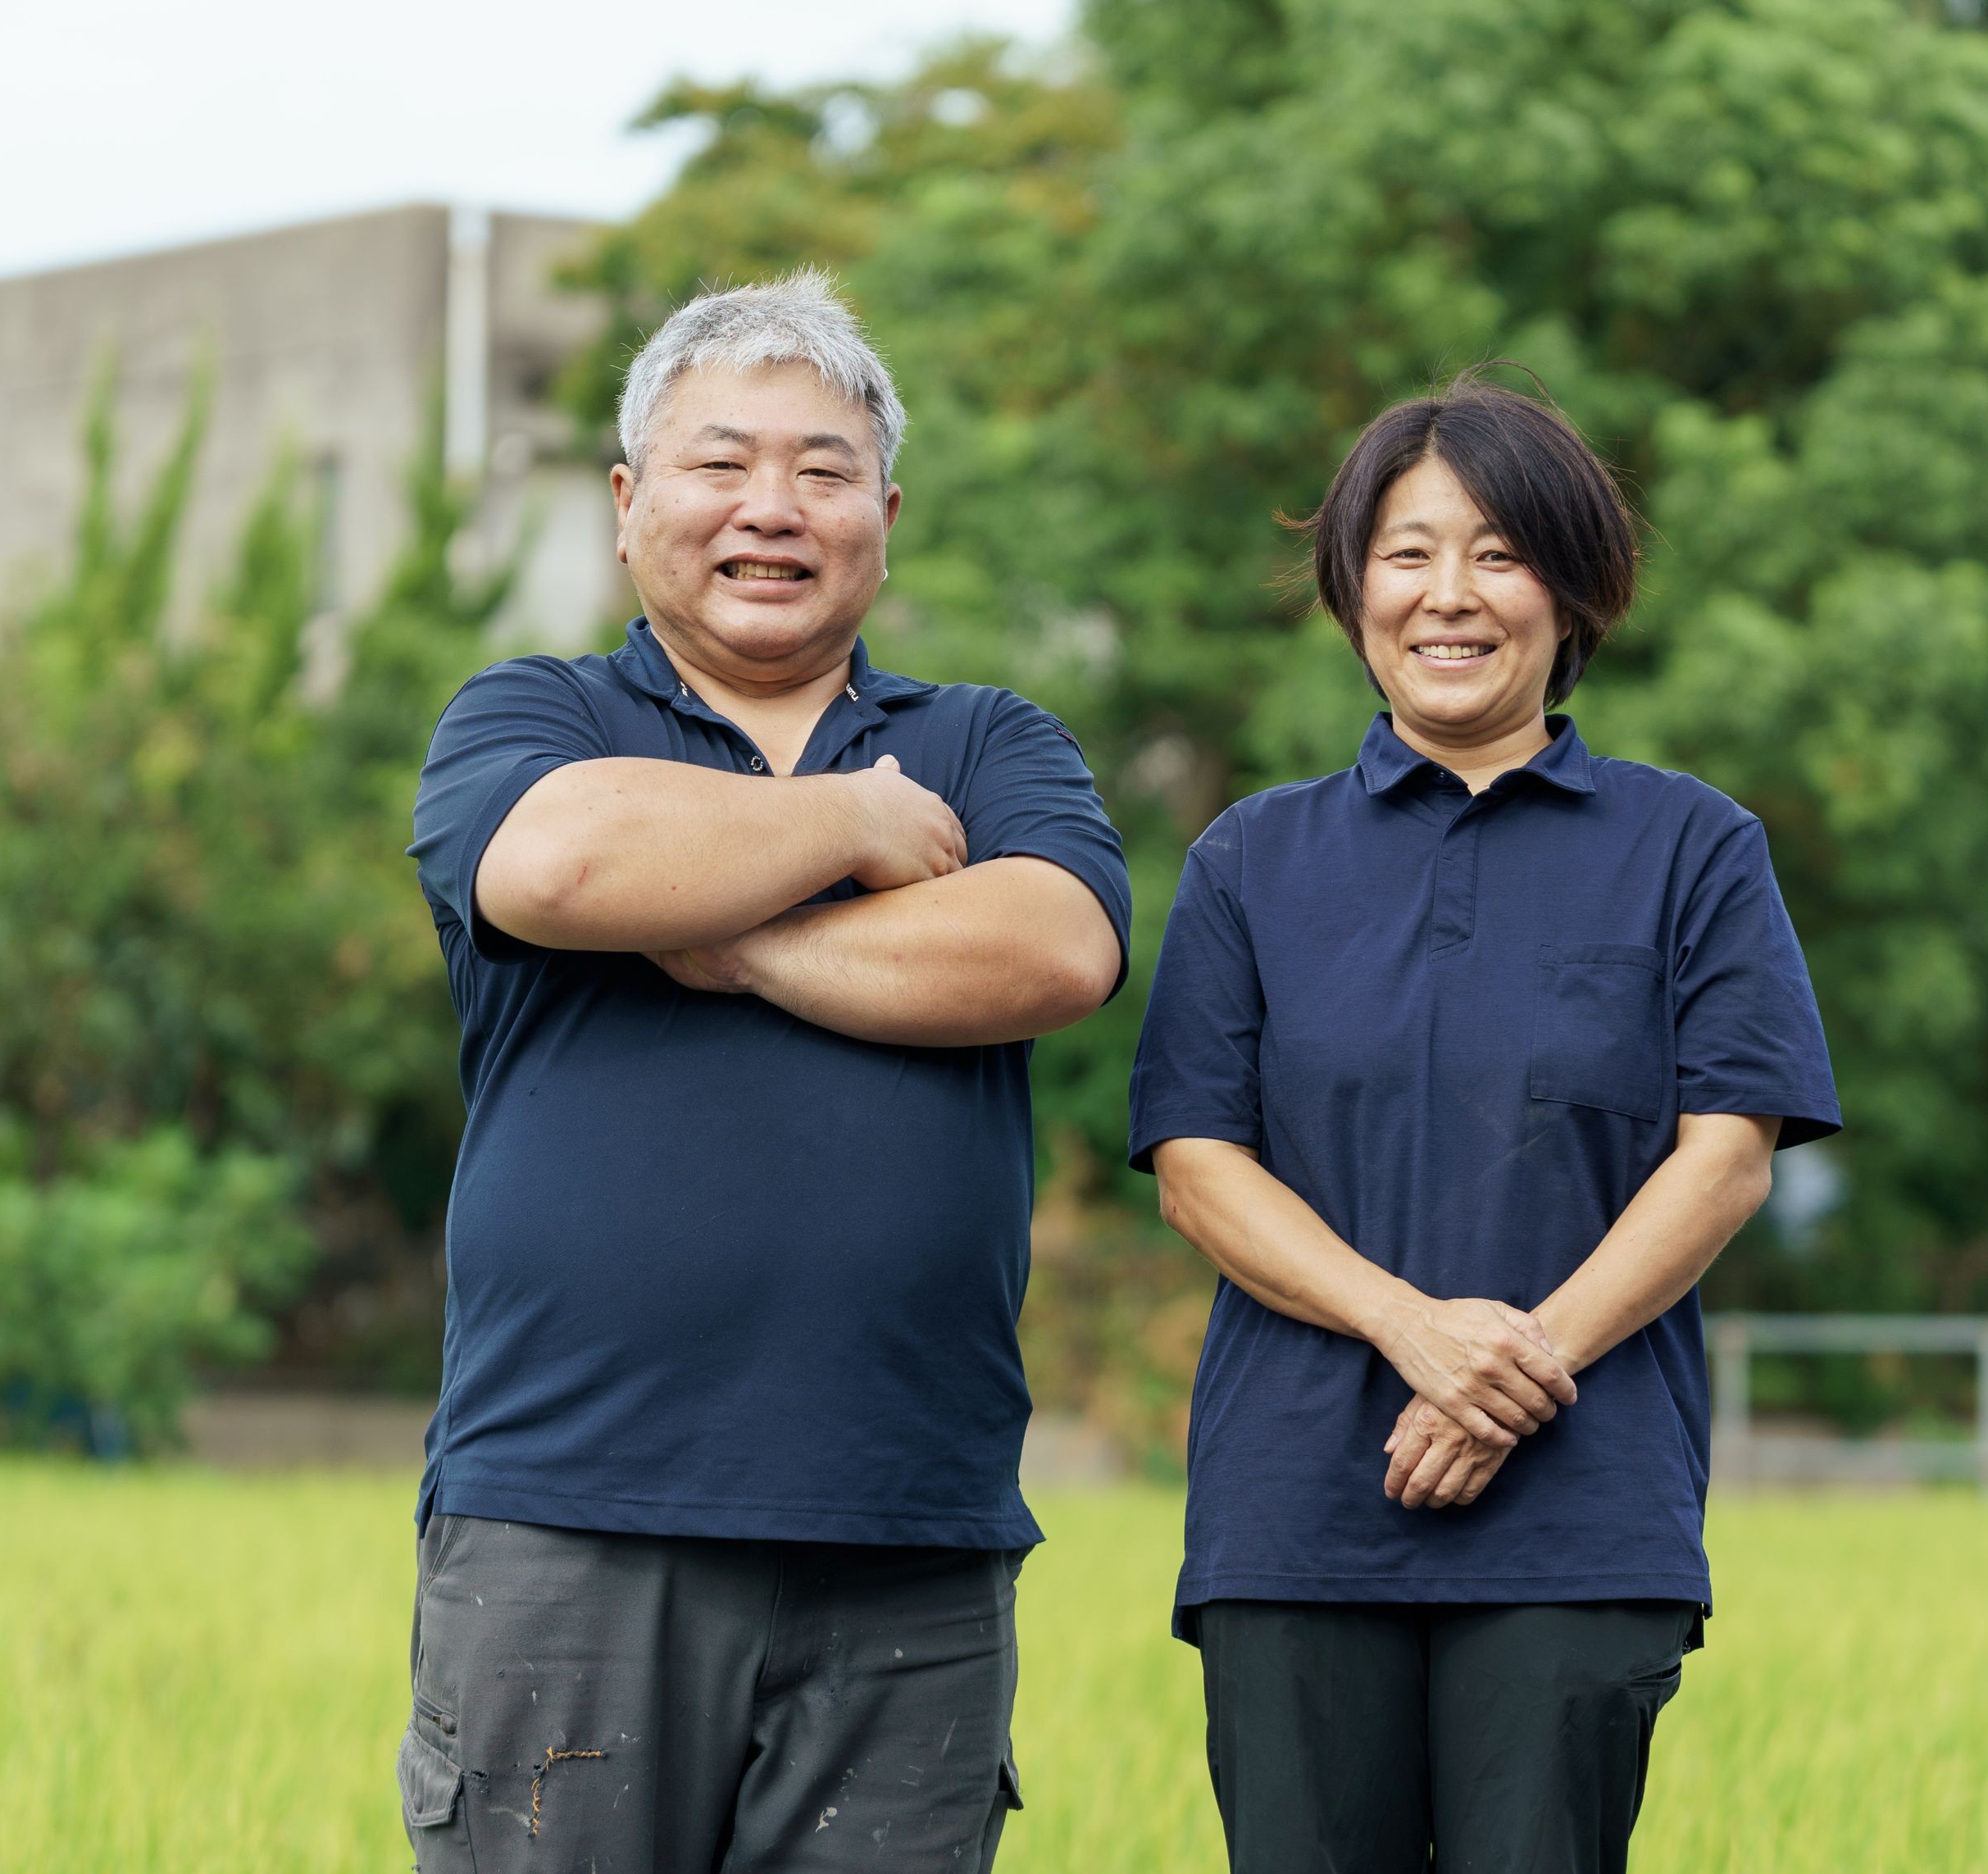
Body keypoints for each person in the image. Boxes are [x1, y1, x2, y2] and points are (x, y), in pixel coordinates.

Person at [398, 271, 1131, 1872]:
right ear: (624, 501)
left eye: (818, 468)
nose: (768, 508)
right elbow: (559, 869)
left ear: (883, 508)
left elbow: (1049, 949)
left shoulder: (988, 745)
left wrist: (728, 938)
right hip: (570, 1519)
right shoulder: (535, 717)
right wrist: (854, 832)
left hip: (904, 1536)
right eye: (718, 463)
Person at [1130, 375, 1840, 1873]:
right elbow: (1198, 1166)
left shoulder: (1691, 845)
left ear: (1571, 589)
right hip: (1294, 1521)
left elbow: (1723, 1154)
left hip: (1579, 1514)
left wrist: (1516, 1367)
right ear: (1350, 589)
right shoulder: (1251, 857)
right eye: (1406, 552)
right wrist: (1413, 1331)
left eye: (1501, 552)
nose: (1449, 595)